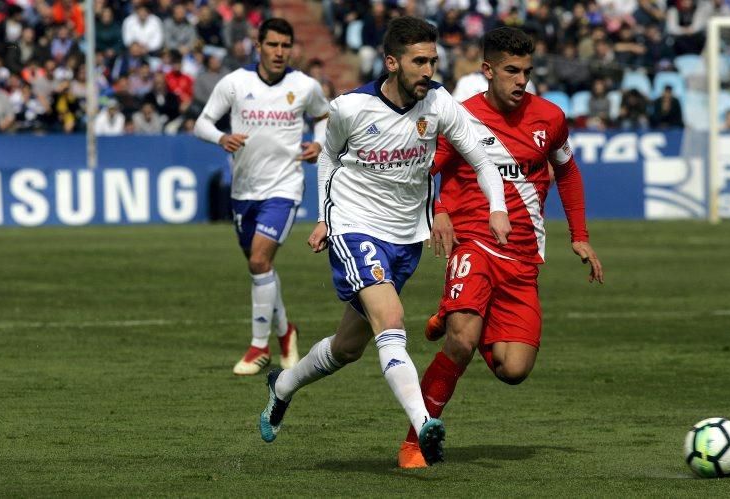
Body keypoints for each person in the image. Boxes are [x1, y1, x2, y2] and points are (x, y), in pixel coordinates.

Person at [258, 16, 511, 466]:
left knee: (348, 347)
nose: (428, 69)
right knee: (392, 319)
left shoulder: (438, 103)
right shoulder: (349, 108)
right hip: (355, 227)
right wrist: (325, 218)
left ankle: (283, 386)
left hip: (406, 238)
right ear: (392, 63)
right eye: (419, 61)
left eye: (433, 60)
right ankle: (423, 423)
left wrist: (497, 208)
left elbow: (481, 158)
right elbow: (329, 159)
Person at [395, 27, 604, 469]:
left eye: (526, 71)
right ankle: (416, 439)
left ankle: (454, 311)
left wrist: (579, 236)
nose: (520, 80)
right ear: (487, 70)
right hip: (474, 242)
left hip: (523, 259)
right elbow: (426, 167)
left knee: (514, 369)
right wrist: (441, 211)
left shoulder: (550, 118)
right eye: (511, 71)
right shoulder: (460, 116)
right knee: (461, 343)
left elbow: (566, 173)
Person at [193, 18, 330, 375]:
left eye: (285, 45)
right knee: (261, 268)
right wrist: (221, 138)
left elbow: (324, 116)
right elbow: (202, 123)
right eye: (272, 45)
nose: (279, 52)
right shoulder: (235, 83)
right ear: (258, 46)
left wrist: (319, 142)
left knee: (258, 261)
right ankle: (287, 332)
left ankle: (258, 347)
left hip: (284, 188)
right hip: (244, 191)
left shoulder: (304, 86)